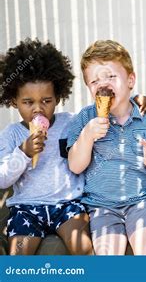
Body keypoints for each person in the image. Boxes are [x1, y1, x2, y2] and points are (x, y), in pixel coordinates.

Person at [67, 40, 146, 255]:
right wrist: (87, 136)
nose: (103, 84)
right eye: (94, 81)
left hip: (143, 201)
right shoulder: (84, 118)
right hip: (102, 206)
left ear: (131, 80)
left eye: (111, 76)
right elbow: (75, 165)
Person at [0, 39, 93, 255]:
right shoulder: (12, 134)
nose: (37, 109)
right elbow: (3, 178)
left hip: (68, 204)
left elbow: (100, 115)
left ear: (58, 97)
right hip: (26, 208)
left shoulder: (70, 122)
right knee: (18, 257)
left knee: (84, 250)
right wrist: (23, 153)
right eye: (27, 102)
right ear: (14, 101)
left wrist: (137, 100)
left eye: (46, 101)